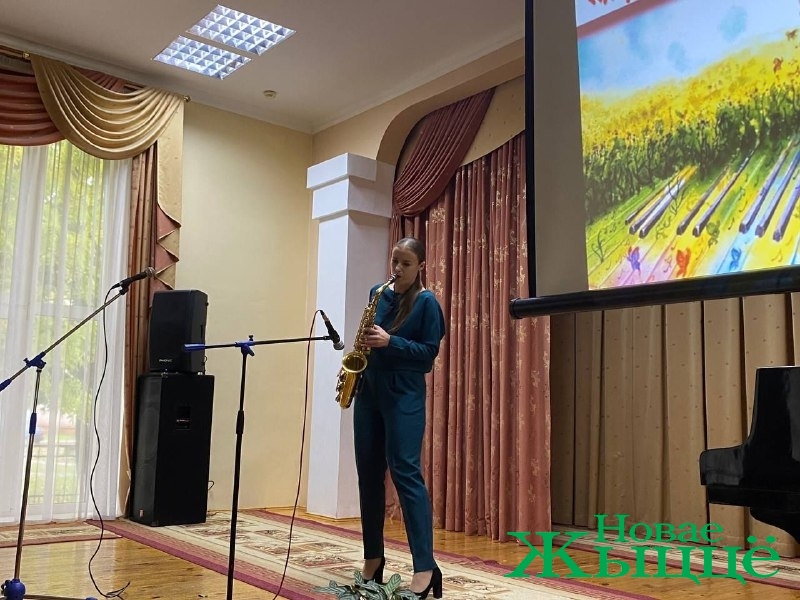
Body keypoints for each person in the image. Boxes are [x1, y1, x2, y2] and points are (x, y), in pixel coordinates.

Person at [354, 237, 446, 599]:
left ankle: (425, 567)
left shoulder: (426, 302)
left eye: (405, 263)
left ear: (420, 266)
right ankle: (373, 559)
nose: (397, 269)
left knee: (406, 474)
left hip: (404, 393)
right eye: (395, 261)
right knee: (368, 475)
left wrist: (390, 342)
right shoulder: (377, 293)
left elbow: (428, 354)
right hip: (369, 389)